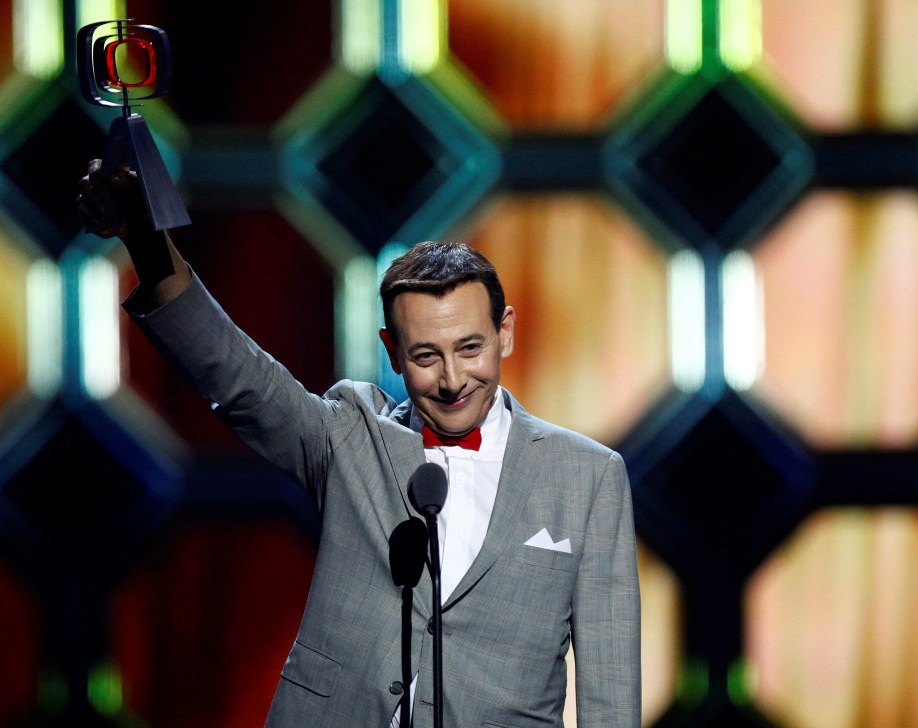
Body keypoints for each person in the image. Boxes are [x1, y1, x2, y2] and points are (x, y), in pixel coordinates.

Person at [77, 160, 641, 727]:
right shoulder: (353, 436)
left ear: (505, 333)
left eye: (470, 348)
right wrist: (147, 244)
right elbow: (237, 375)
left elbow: (611, 692)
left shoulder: (587, 477)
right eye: (425, 355)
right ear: (393, 352)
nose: (451, 378)